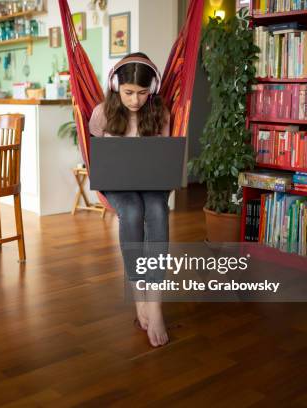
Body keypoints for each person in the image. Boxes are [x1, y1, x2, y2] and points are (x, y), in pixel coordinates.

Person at [89, 52, 172, 347]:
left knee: (158, 212)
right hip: (118, 186)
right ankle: (139, 295)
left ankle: (156, 302)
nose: (135, 100)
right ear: (115, 86)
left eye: (142, 93)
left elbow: (164, 159)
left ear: (153, 89)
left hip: (151, 183)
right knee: (133, 212)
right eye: (128, 93)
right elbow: (93, 156)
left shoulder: (160, 113)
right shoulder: (102, 113)